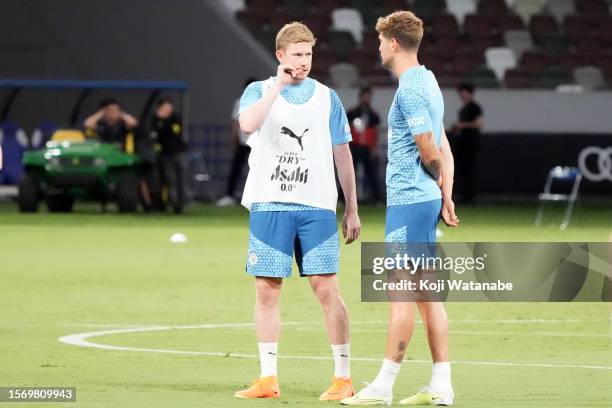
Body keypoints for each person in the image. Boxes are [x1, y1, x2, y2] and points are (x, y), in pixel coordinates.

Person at [234, 22, 361, 402]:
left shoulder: (327, 97)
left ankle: (343, 378)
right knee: (266, 291)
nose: (303, 62)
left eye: (308, 55)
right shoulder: (258, 91)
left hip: (315, 207)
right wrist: (278, 85)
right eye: (296, 55)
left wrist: (351, 207)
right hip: (269, 203)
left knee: (327, 290)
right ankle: (268, 378)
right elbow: (247, 125)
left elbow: (343, 153)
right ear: (280, 56)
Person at [342, 11, 459, 406]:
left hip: (409, 201)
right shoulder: (430, 81)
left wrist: (434, 183)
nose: (377, 47)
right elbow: (445, 147)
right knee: (428, 296)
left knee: (401, 294)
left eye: (380, 41)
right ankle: (441, 387)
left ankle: (383, 387)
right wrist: (445, 193)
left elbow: (430, 149)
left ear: (393, 43)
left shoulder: (410, 88)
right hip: (423, 200)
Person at [216, 77, 257, 207]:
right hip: (243, 142)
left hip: (257, 143)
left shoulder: (263, 101)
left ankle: (257, 197)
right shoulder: (240, 102)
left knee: (257, 170)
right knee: (236, 169)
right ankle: (229, 195)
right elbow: (235, 123)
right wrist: (233, 140)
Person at [347, 86, 382, 204]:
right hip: (354, 147)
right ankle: (344, 199)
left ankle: (376, 199)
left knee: (371, 174)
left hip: (367, 148)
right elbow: (346, 131)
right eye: (364, 96)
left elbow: (375, 133)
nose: (366, 99)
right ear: (360, 97)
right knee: (349, 174)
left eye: (368, 96)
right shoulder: (352, 113)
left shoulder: (373, 115)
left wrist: (374, 148)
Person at [151, 98, 187, 213]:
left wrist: (164, 121)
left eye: (169, 108)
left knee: (181, 179)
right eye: (165, 108)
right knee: (171, 180)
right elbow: (155, 135)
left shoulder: (175, 118)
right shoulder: (154, 120)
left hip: (179, 153)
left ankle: (180, 205)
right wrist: (159, 120)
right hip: (166, 155)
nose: (168, 110)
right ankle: (172, 203)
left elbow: (175, 132)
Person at [452, 82, 483, 204]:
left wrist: (462, 125)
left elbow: (479, 124)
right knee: (461, 170)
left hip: (471, 144)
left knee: (469, 170)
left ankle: (470, 197)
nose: (462, 94)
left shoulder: (475, 107)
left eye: (464, 92)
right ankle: (463, 196)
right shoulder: (463, 109)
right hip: (462, 144)